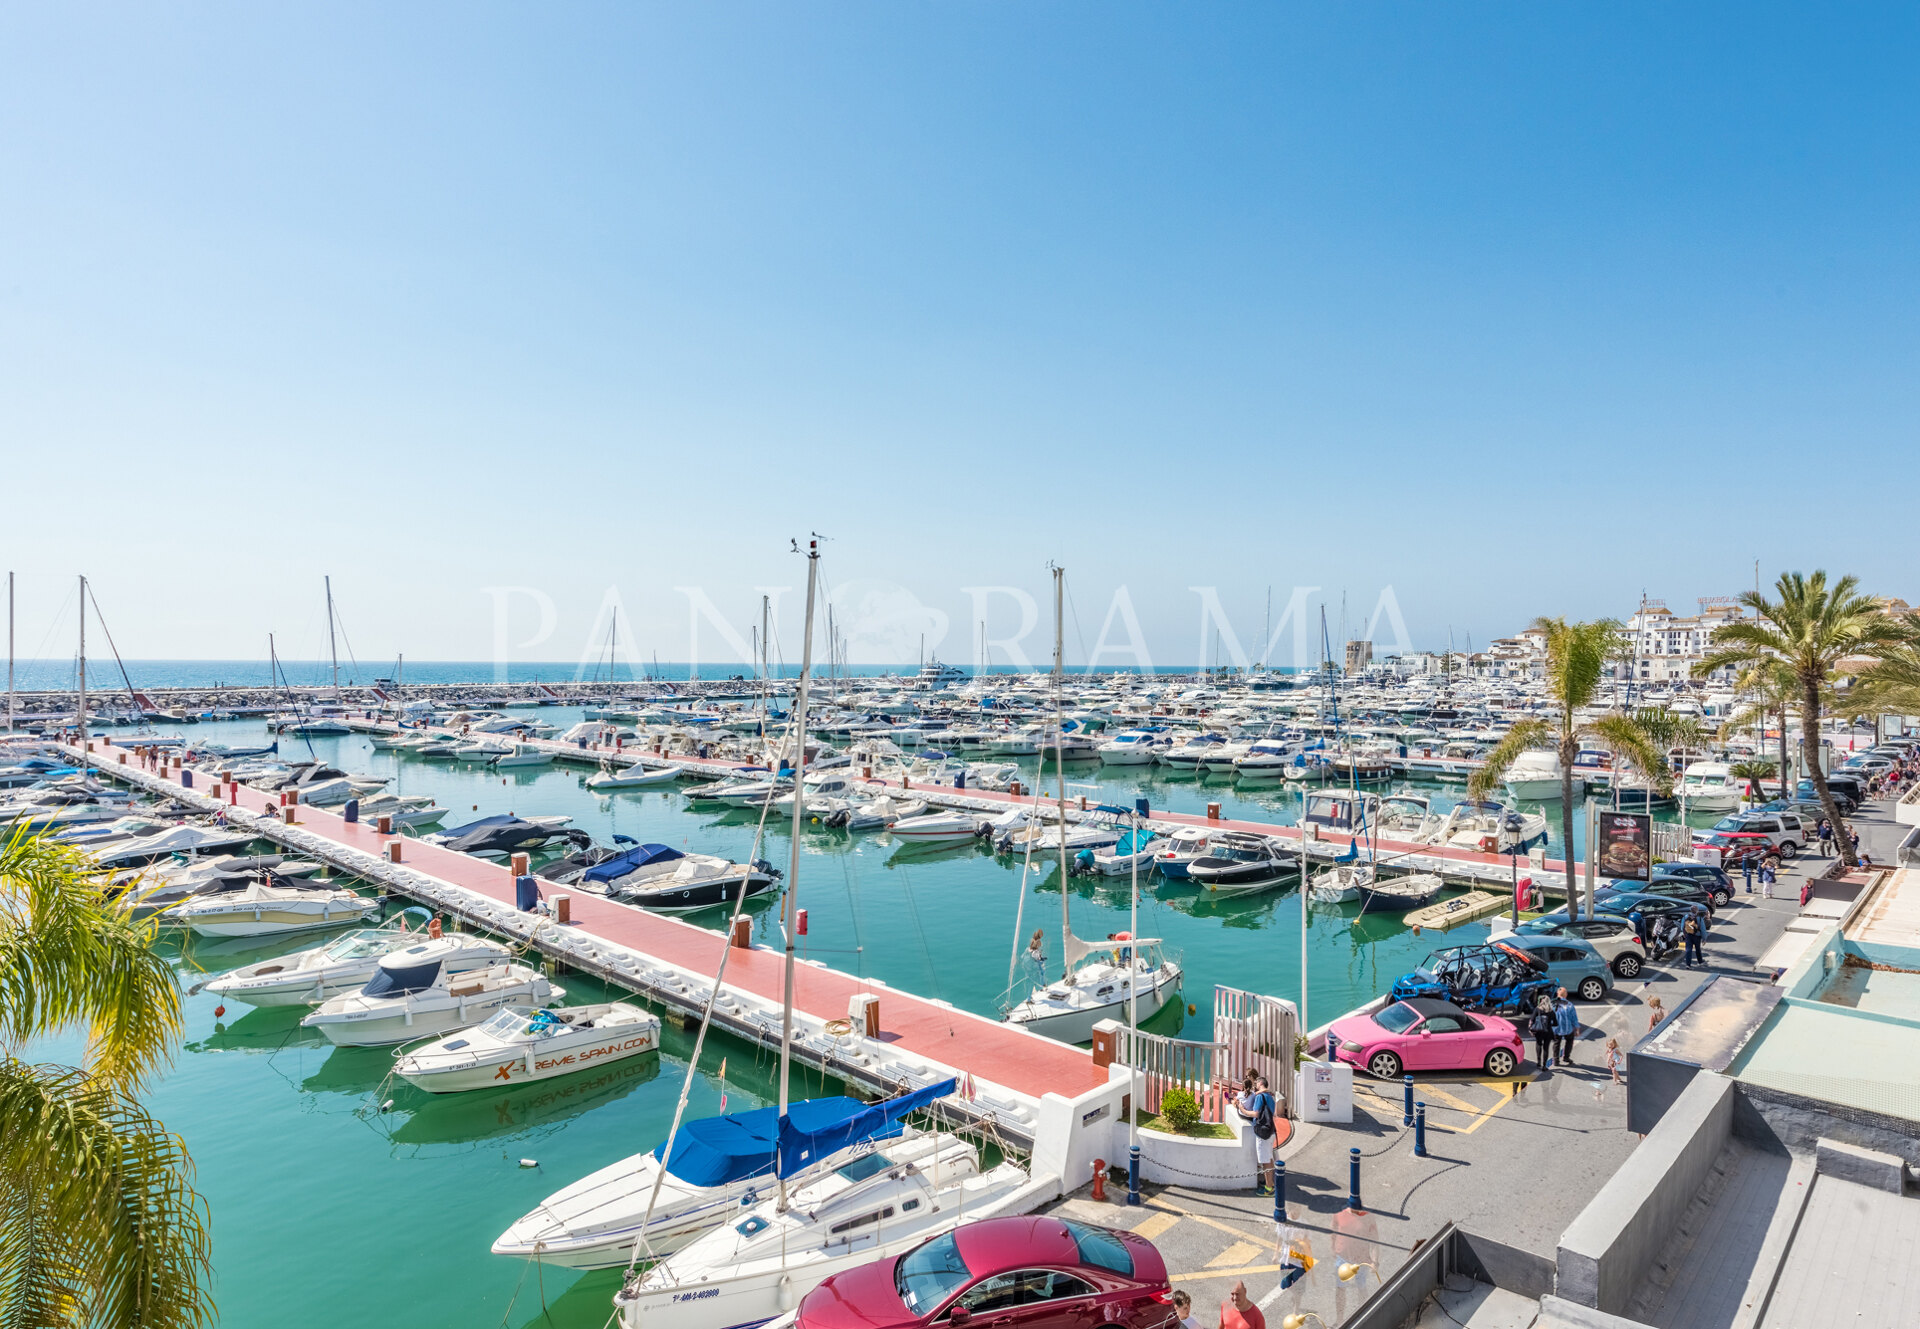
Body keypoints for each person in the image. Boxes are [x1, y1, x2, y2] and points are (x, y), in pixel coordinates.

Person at [1234, 1075, 1277, 1196]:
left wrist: (1242, 1109)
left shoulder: (1259, 1097)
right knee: (1269, 1158)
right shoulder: (1270, 1096)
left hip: (1262, 1132)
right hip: (1270, 1130)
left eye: (1256, 1084)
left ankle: (1269, 1189)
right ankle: (1271, 1183)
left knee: (1264, 1160)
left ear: (1259, 1083)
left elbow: (1256, 1114)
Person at [1553, 988, 1579, 1066]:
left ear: (1557, 994)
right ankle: (1566, 1057)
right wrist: (1577, 1028)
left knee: (1556, 1043)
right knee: (1569, 1041)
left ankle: (1556, 1060)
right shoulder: (1569, 1005)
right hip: (1568, 1028)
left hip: (1556, 1028)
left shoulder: (1552, 1004)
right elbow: (1574, 1018)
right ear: (1566, 994)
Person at [1529, 999, 1555, 1070]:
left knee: (1538, 1044)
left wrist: (1530, 1029)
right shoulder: (1551, 1011)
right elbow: (1556, 1023)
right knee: (1546, 1048)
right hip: (1548, 1031)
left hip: (1539, 1031)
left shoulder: (1537, 1009)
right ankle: (1544, 1065)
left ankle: (1538, 1062)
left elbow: (1532, 1019)